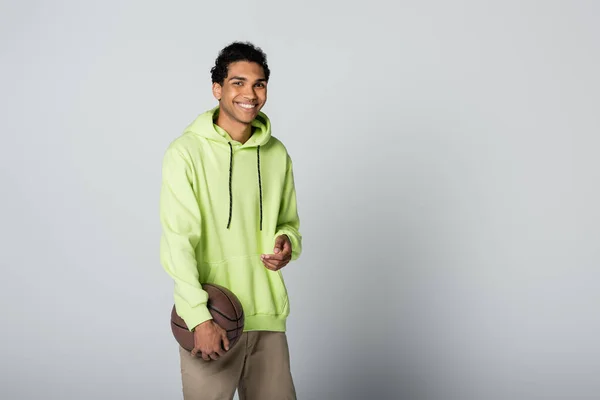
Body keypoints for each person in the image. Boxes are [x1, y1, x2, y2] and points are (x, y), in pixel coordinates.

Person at [159, 41, 302, 400]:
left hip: (266, 316)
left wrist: (286, 243)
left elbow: (288, 222)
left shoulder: (276, 153)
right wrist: (198, 317)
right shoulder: (185, 152)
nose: (250, 94)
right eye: (238, 83)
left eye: (259, 84)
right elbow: (178, 242)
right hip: (213, 318)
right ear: (217, 89)